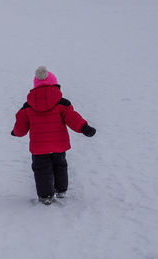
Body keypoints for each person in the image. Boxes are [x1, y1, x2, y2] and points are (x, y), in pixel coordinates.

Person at [11, 66, 96, 205]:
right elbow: (72, 118)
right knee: (60, 166)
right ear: (55, 85)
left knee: (41, 170)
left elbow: (21, 126)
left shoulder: (27, 106)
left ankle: (45, 196)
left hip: (39, 147)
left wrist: (16, 132)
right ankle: (61, 190)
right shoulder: (62, 103)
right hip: (58, 144)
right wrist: (84, 127)